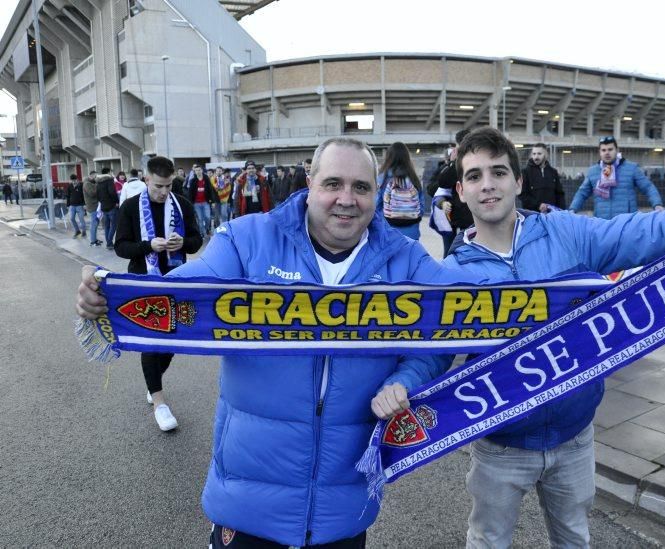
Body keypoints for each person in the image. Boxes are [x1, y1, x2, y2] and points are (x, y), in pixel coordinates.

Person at [76, 137, 466, 547]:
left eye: (361, 187)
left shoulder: (407, 258)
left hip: (344, 509)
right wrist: (111, 298)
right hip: (248, 504)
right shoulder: (248, 240)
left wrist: (405, 377)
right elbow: (185, 291)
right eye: (333, 184)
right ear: (309, 182)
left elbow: (451, 327)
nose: (346, 199)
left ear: (376, 192)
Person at [441, 127, 665, 549]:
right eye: (474, 176)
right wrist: (399, 385)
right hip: (501, 447)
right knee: (487, 541)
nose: (487, 185)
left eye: (499, 172)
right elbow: (428, 354)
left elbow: (641, 233)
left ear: (518, 182)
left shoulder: (564, 232)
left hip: (575, 436)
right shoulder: (450, 275)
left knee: (575, 539)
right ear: (461, 190)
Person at [113, 156, 203, 431]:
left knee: (172, 343)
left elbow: (197, 241)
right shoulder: (130, 207)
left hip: (176, 281)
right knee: (152, 342)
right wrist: (148, 245)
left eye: (169, 186)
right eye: (159, 186)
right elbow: (121, 247)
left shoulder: (182, 204)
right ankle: (160, 403)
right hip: (143, 282)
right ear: (146, 179)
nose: (165, 192)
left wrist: (182, 242)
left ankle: (152, 385)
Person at [569, 136, 664, 219]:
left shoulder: (632, 168)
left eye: (610, 149)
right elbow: (582, 193)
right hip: (602, 222)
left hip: (627, 222)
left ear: (617, 150)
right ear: (599, 152)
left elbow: (648, 187)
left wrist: (657, 205)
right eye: (603, 150)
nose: (607, 153)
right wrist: (573, 209)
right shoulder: (593, 171)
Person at [433, 129, 474, 251]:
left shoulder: (473, 161)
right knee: (450, 250)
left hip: (469, 215)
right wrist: (452, 163)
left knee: (469, 249)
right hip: (452, 215)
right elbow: (440, 184)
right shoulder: (449, 166)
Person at [376, 142, 425, 240]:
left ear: (388, 157)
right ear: (407, 158)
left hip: (388, 232)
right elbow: (421, 209)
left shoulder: (382, 178)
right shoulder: (414, 179)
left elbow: (375, 207)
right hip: (412, 233)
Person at [520, 143, 565, 212]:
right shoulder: (525, 172)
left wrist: (562, 212)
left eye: (539, 154)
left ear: (546, 155)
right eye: (534, 154)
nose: (536, 157)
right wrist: (538, 205)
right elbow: (522, 195)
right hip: (532, 215)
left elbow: (559, 194)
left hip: (552, 216)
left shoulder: (553, 172)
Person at [187, 164, 218, 236]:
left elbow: (211, 190)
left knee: (208, 217)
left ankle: (207, 228)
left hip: (205, 202)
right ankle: (202, 233)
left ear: (202, 171)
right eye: (196, 170)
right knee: (200, 219)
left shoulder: (206, 179)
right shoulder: (193, 180)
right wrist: (190, 203)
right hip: (196, 203)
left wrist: (213, 201)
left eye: (199, 170)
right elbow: (190, 193)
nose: (198, 171)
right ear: (195, 172)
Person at [96, 168, 119, 250]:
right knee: (114, 225)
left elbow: (97, 195)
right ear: (109, 172)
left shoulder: (98, 182)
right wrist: (117, 201)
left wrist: (102, 201)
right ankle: (109, 243)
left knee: (107, 226)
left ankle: (109, 243)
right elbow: (112, 192)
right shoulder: (109, 181)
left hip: (103, 207)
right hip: (111, 206)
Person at [83, 171, 103, 247]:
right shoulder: (87, 183)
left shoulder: (90, 183)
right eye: (95, 177)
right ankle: (93, 241)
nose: (96, 178)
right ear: (91, 176)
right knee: (94, 224)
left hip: (95, 205)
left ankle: (95, 239)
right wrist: (97, 185)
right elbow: (92, 193)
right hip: (92, 206)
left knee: (96, 223)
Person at [65, 174, 86, 238]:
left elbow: (84, 196)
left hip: (80, 206)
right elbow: (68, 196)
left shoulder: (81, 185)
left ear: (77, 179)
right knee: (71, 218)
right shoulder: (69, 186)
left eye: (75, 180)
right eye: (72, 181)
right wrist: (68, 205)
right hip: (72, 206)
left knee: (81, 219)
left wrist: (84, 204)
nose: (73, 182)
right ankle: (77, 231)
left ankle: (84, 231)